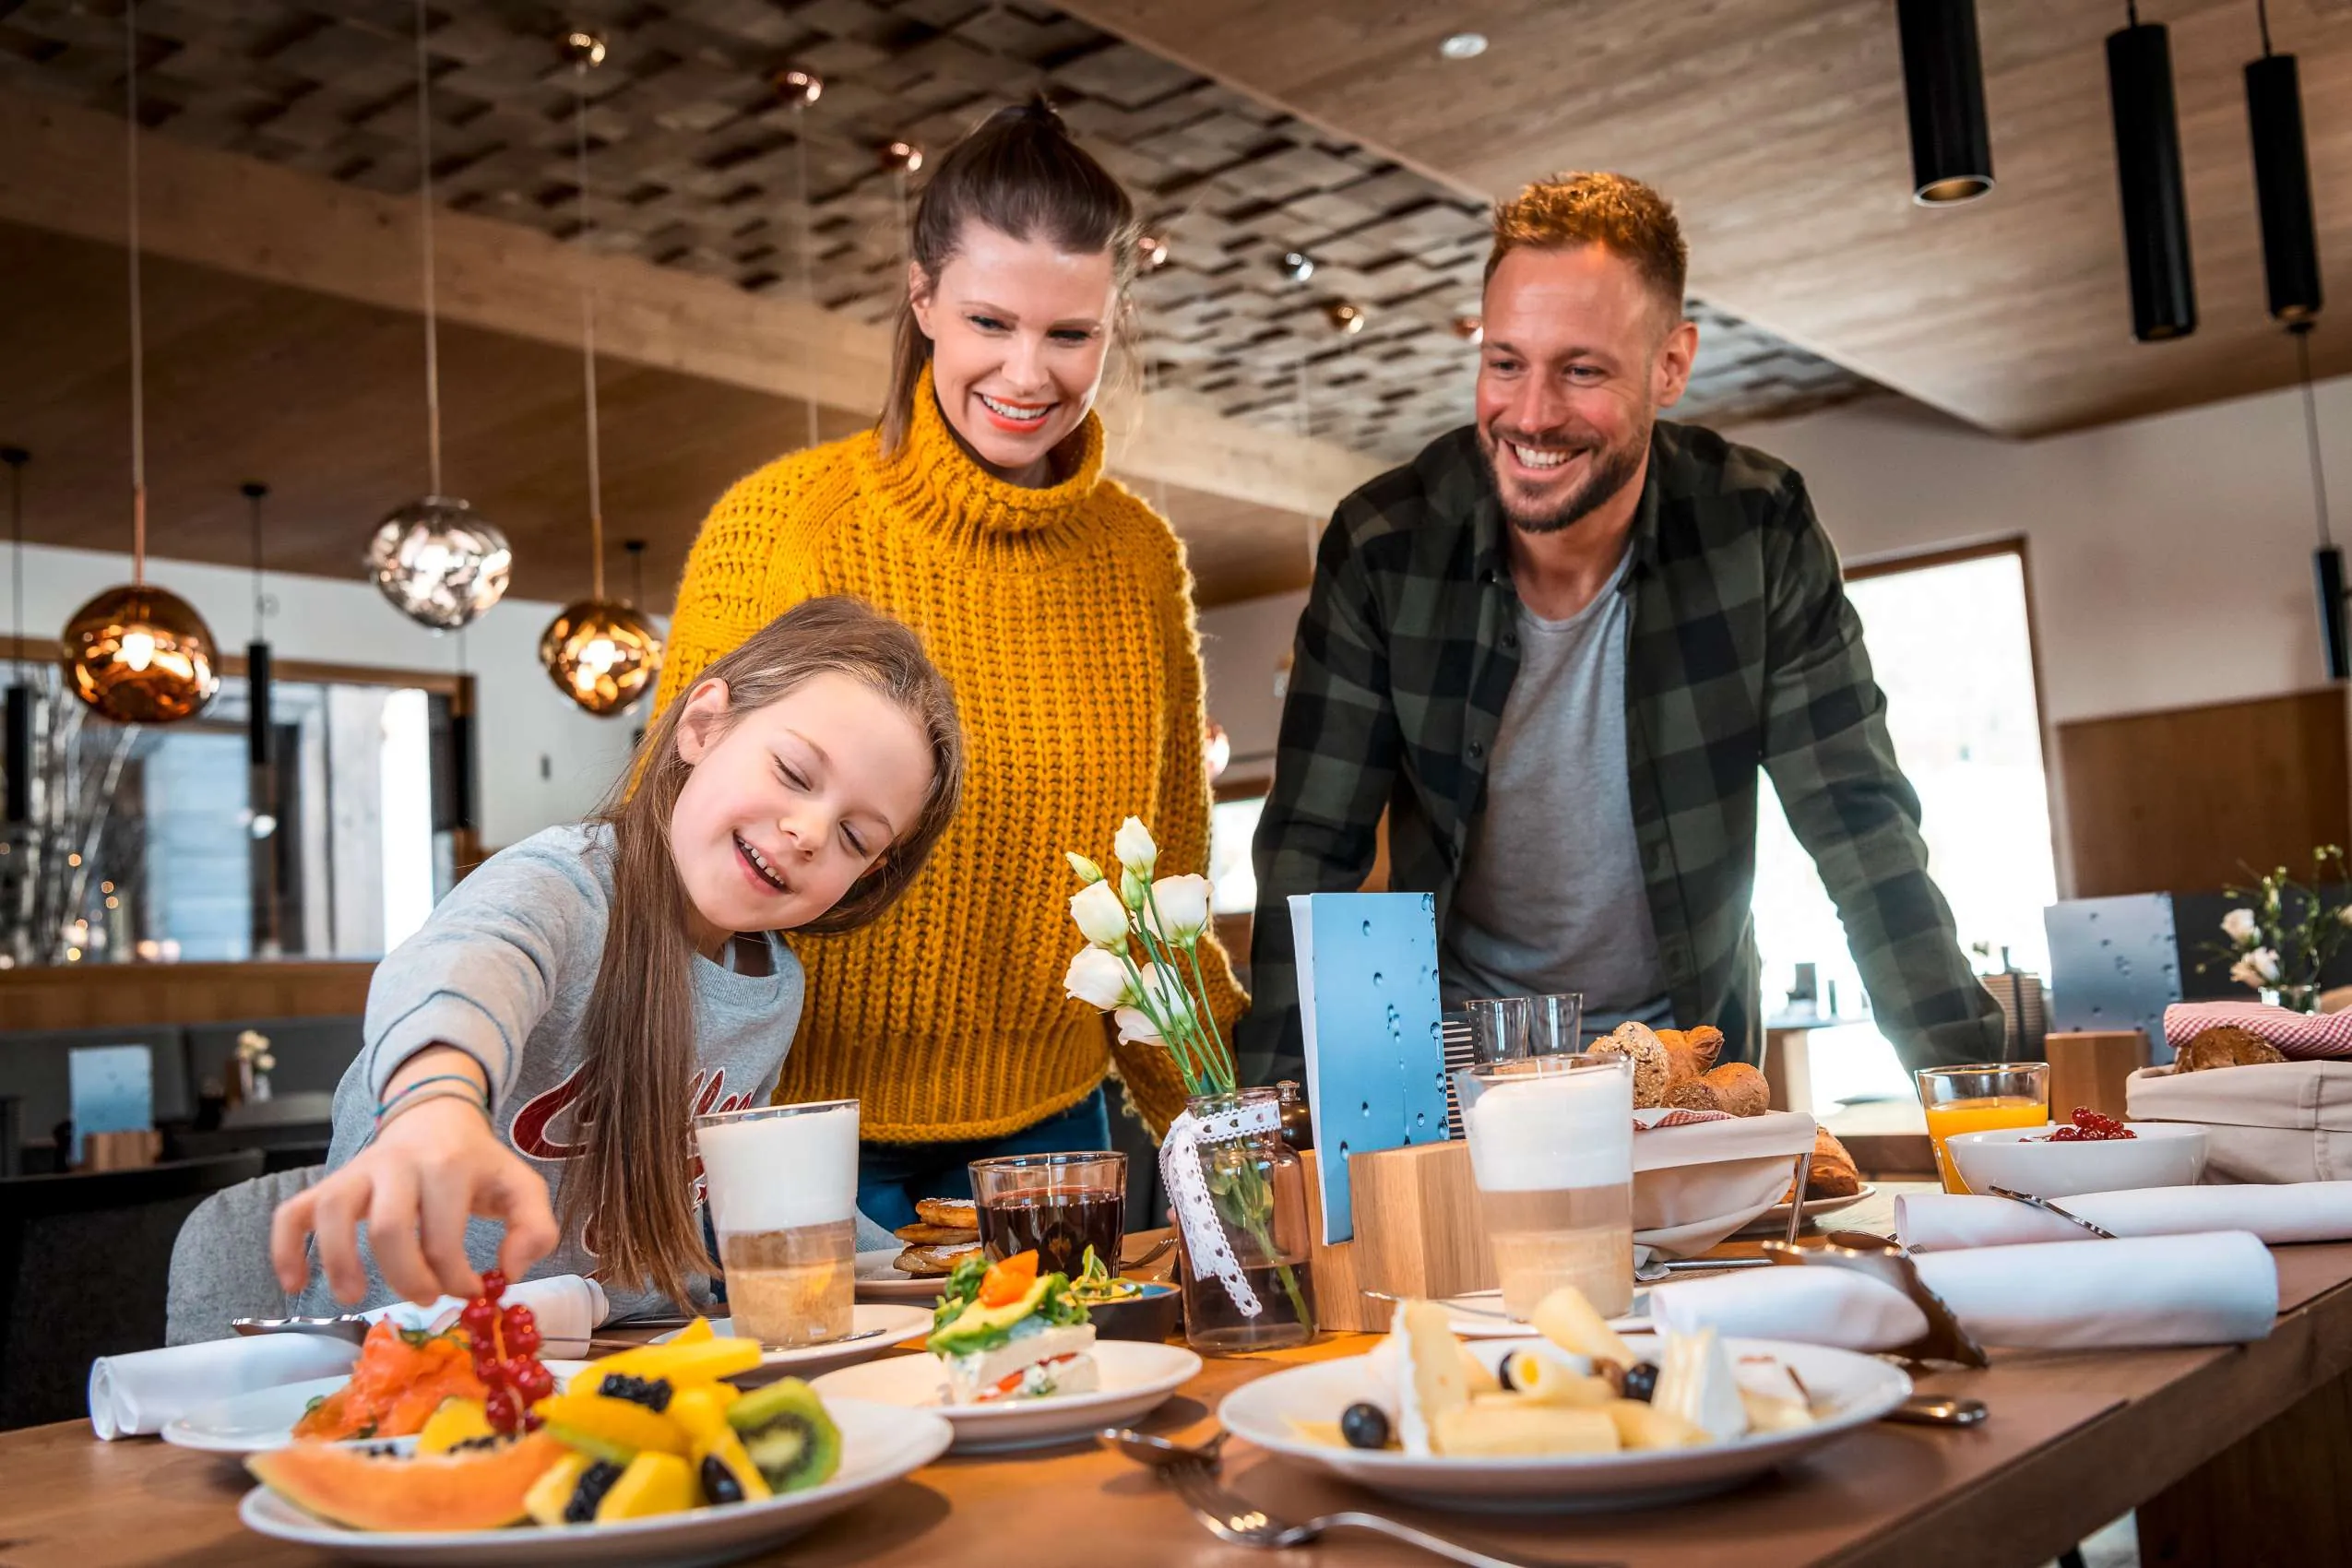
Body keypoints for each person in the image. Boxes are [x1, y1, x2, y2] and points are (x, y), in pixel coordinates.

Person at [1238, 172, 2003, 1087]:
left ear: (1671, 365)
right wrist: (1274, 1136)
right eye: (1506, 361)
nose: (1529, 414)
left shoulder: (1755, 528)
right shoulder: (1385, 545)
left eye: (1582, 369)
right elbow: (1310, 856)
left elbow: (1860, 828)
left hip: (1689, 1073)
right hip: (1454, 1084)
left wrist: (1974, 1094)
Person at [653, 100, 1241, 1230]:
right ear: (922, 299)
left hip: (1059, 1133)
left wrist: (1216, 1128)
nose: (1029, 372)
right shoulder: (784, 524)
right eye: (989, 320)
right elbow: (659, 844)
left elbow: (1163, 885)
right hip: (795, 1126)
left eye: (1072, 334)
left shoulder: (1137, 559)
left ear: (1114, 324)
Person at [273, 598, 963, 1317]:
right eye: (793, 773)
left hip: (638, 1361)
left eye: (855, 837)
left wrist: (939, 1268)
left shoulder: (773, 988)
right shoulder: (563, 885)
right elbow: (461, 968)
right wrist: (433, 1103)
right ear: (702, 727)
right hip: (420, 1366)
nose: (810, 832)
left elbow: (758, 1205)